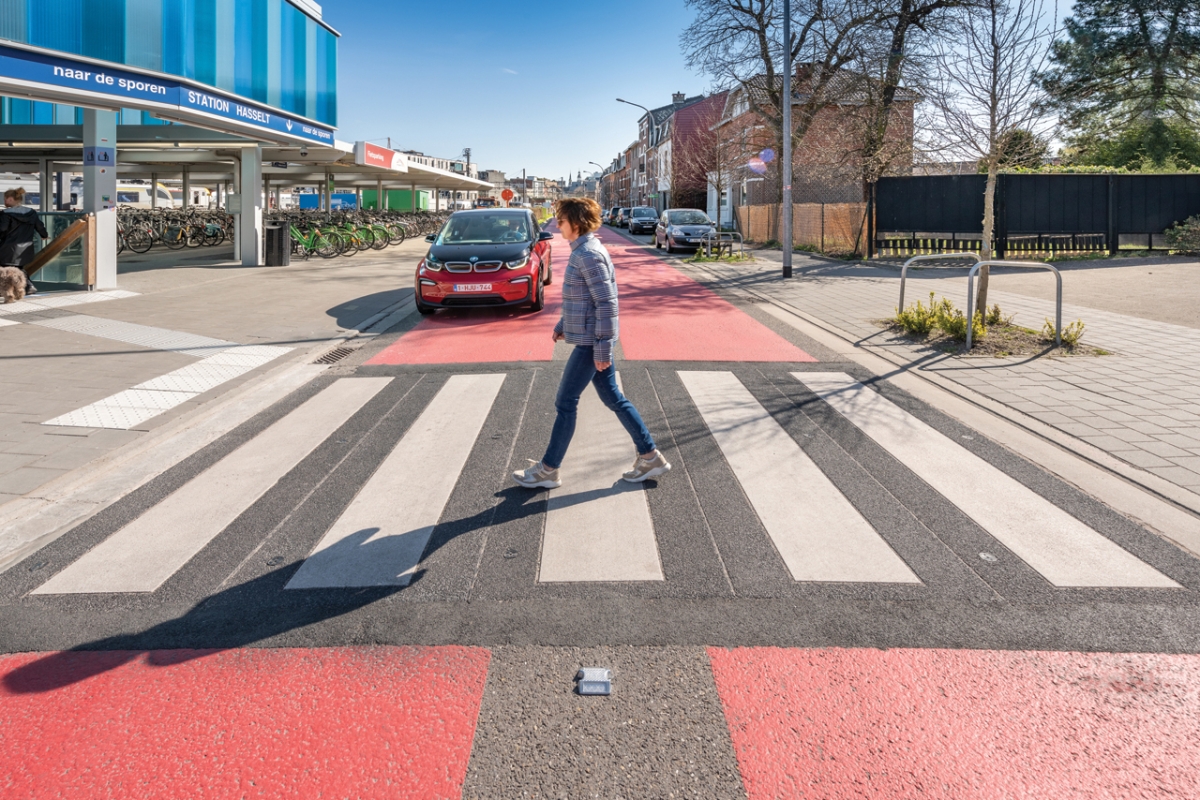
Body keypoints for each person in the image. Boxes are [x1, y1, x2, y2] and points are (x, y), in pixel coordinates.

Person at [513, 197, 671, 489]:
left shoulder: (588, 254)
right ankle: (650, 456)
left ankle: (549, 469)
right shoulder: (583, 251)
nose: (558, 224)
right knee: (613, 398)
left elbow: (606, 304)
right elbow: (581, 298)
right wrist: (563, 325)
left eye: (561, 220)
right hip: (588, 337)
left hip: (591, 343)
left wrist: (602, 349)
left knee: (565, 402)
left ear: (575, 222)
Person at [0, 188, 49, 295]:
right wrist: (44, 236)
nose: (4, 202)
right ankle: (26, 287)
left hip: (8, 248)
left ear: (10, 199)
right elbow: (39, 226)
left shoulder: (6, 214)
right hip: (26, 248)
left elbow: (2, 229)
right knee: (18, 268)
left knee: (6, 268)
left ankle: (27, 286)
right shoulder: (31, 212)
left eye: (5, 199)